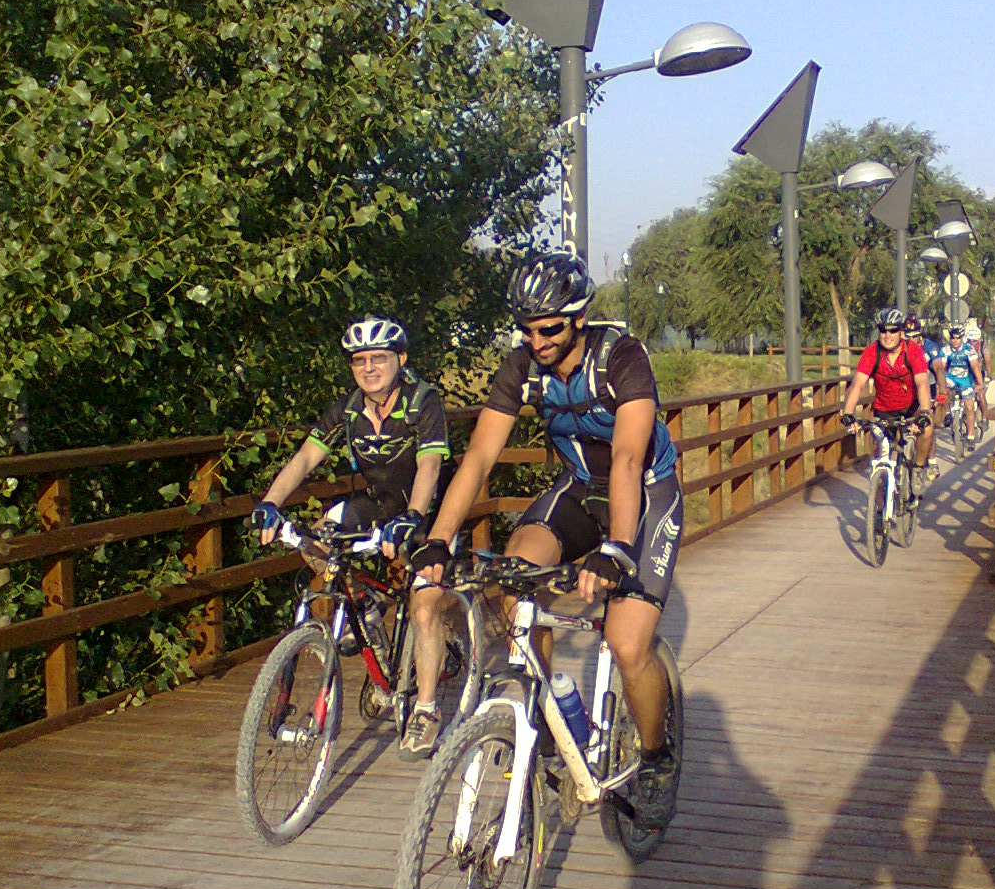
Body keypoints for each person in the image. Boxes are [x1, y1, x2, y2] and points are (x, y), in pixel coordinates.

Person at [412, 249, 685, 829]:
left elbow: (629, 457)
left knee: (627, 644)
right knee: (515, 576)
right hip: (579, 488)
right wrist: (438, 539)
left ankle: (656, 759)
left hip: (645, 493)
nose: (536, 341)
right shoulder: (523, 368)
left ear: (579, 318)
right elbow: (479, 456)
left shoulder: (622, 357)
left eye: (550, 329)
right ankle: (540, 717)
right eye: (527, 330)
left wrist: (616, 550)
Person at [250, 314, 454, 759]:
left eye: (378, 358)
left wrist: (414, 517)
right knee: (316, 540)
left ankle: (425, 709)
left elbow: (430, 465)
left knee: (423, 606)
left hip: (430, 509)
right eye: (359, 360)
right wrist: (270, 503)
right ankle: (367, 613)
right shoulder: (347, 410)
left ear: (401, 359)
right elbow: (306, 458)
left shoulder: (422, 402)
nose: (368, 368)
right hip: (378, 502)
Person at [838, 307, 937, 494]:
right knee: (879, 451)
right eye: (883, 330)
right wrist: (848, 413)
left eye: (893, 330)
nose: (887, 335)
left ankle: (917, 469)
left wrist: (925, 411)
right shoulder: (872, 352)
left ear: (901, 332)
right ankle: (878, 503)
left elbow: (922, 384)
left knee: (927, 429)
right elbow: (857, 384)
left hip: (911, 408)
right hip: (884, 409)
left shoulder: (913, 351)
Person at [938, 322, 986, 445]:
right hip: (951, 378)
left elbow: (975, 367)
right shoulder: (945, 350)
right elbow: (941, 368)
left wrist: (980, 383)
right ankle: (948, 413)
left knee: (969, 406)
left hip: (966, 380)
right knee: (945, 390)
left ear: (962, 338)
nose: (955, 341)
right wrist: (941, 385)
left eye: (958, 338)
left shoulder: (968, 350)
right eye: (953, 338)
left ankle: (970, 435)